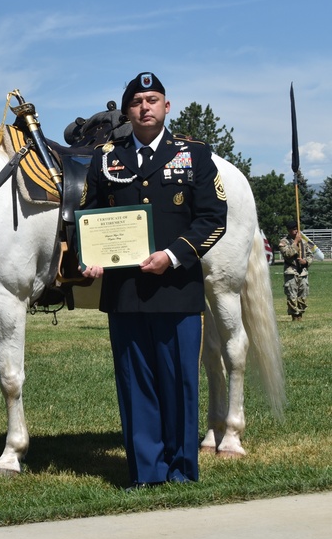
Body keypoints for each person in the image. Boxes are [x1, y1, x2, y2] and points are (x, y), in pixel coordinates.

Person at [80, 72, 227, 488]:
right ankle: (146, 472)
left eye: (153, 99)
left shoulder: (194, 154)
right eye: (137, 101)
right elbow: (86, 216)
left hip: (178, 292)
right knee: (136, 384)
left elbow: (214, 219)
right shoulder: (105, 157)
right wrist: (90, 258)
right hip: (125, 295)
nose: (145, 107)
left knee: (180, 382)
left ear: (167, 106)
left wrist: (172, 255)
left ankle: (180, 470)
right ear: (127, 112)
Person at [278, 220, 312, 321]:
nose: (296, 231)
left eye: (297, 229)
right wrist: (296, 242)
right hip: (291, 272)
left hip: (302, 272)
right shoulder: (284, 242)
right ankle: (294, 316)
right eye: (293, 229)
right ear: (289, 230)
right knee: (292, 295)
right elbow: (287, 254)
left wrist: (305, 262)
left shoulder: (304, 242)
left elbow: (310, 255)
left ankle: (300, 315)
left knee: (303, 294)